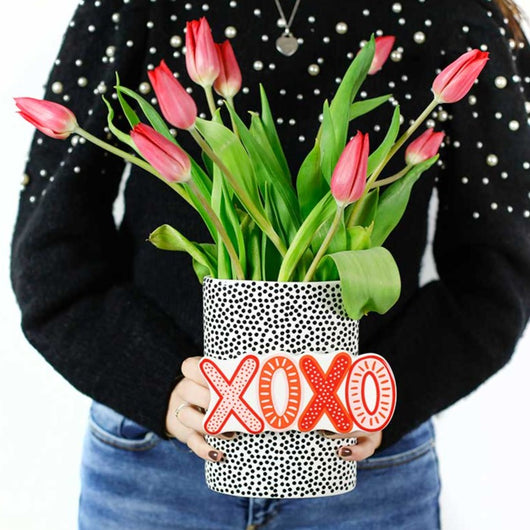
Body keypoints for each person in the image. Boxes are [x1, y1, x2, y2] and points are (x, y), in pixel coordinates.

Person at [10, 0, 530, 528]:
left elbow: (498, 278)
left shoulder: (453, 17)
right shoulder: (136, 7)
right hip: (156, 463)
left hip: (364, 466)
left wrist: (383, 394)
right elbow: (51, 254)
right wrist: (157, 383)